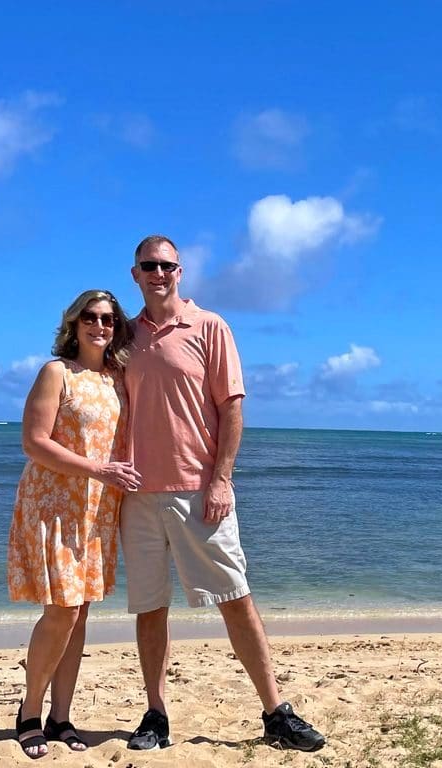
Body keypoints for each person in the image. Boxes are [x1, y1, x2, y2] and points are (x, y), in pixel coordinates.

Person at [120, 235, 325, 752]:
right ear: (135, 273)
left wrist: (221, 478)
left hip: (198, 490)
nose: (159, 273)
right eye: (150, 265)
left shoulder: (210, 327)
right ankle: (156, 714)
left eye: (167, 265)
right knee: (150, 607)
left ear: (180, 271)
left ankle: (275, 711)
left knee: (235, 597)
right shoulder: (124, 337)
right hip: (138, 494)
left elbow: (231, 408)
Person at [7, 290, 141, 759]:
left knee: (80, 612)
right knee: (61, 610)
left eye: (107, 318)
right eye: (90, 316)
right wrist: (98, 470)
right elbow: (34, 442)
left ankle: (60, 716)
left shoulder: (118, 379)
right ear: (74, 322)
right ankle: (28, 712)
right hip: (55, 504)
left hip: (98, 508)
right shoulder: (56, 372)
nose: (99, 325)